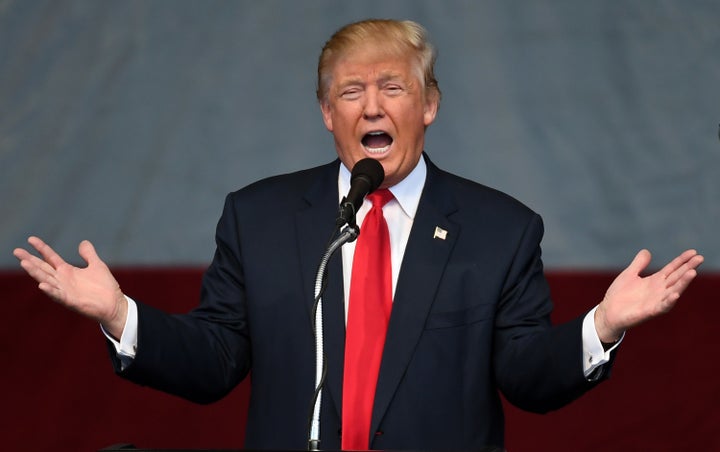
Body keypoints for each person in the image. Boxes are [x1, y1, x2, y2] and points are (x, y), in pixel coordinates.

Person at [13, 19, 703, 451]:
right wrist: (118, 314)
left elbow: (524, 376)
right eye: (350, 92)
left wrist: (602, 326)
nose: (371, 105)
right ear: (325, 112)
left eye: (392, 87)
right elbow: (215, 359)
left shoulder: (500, 230)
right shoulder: (259, 217)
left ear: (429, 104)